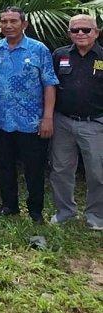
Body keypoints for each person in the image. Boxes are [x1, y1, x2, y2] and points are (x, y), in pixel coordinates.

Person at [0, 6, 57, 224]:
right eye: (4, 21)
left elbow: (50, 84)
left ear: (24, 24)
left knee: (34, 169)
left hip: (32, 122)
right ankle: (9, 205)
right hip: (2, 118)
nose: (8, 25)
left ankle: (35, 210)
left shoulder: (38, 49)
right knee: (5, 166)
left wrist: (48, 117)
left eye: (13, 21)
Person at [49, 14, 103, 230]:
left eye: (86, 30)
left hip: (95, 124)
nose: (80, 33)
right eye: (75, 30)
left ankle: (96, 216)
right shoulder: (60, 55)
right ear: (69, 33)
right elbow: (50, 86)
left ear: (96, 33)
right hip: (62, 121)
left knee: (97, 172)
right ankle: (65, 211)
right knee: (60, 170)